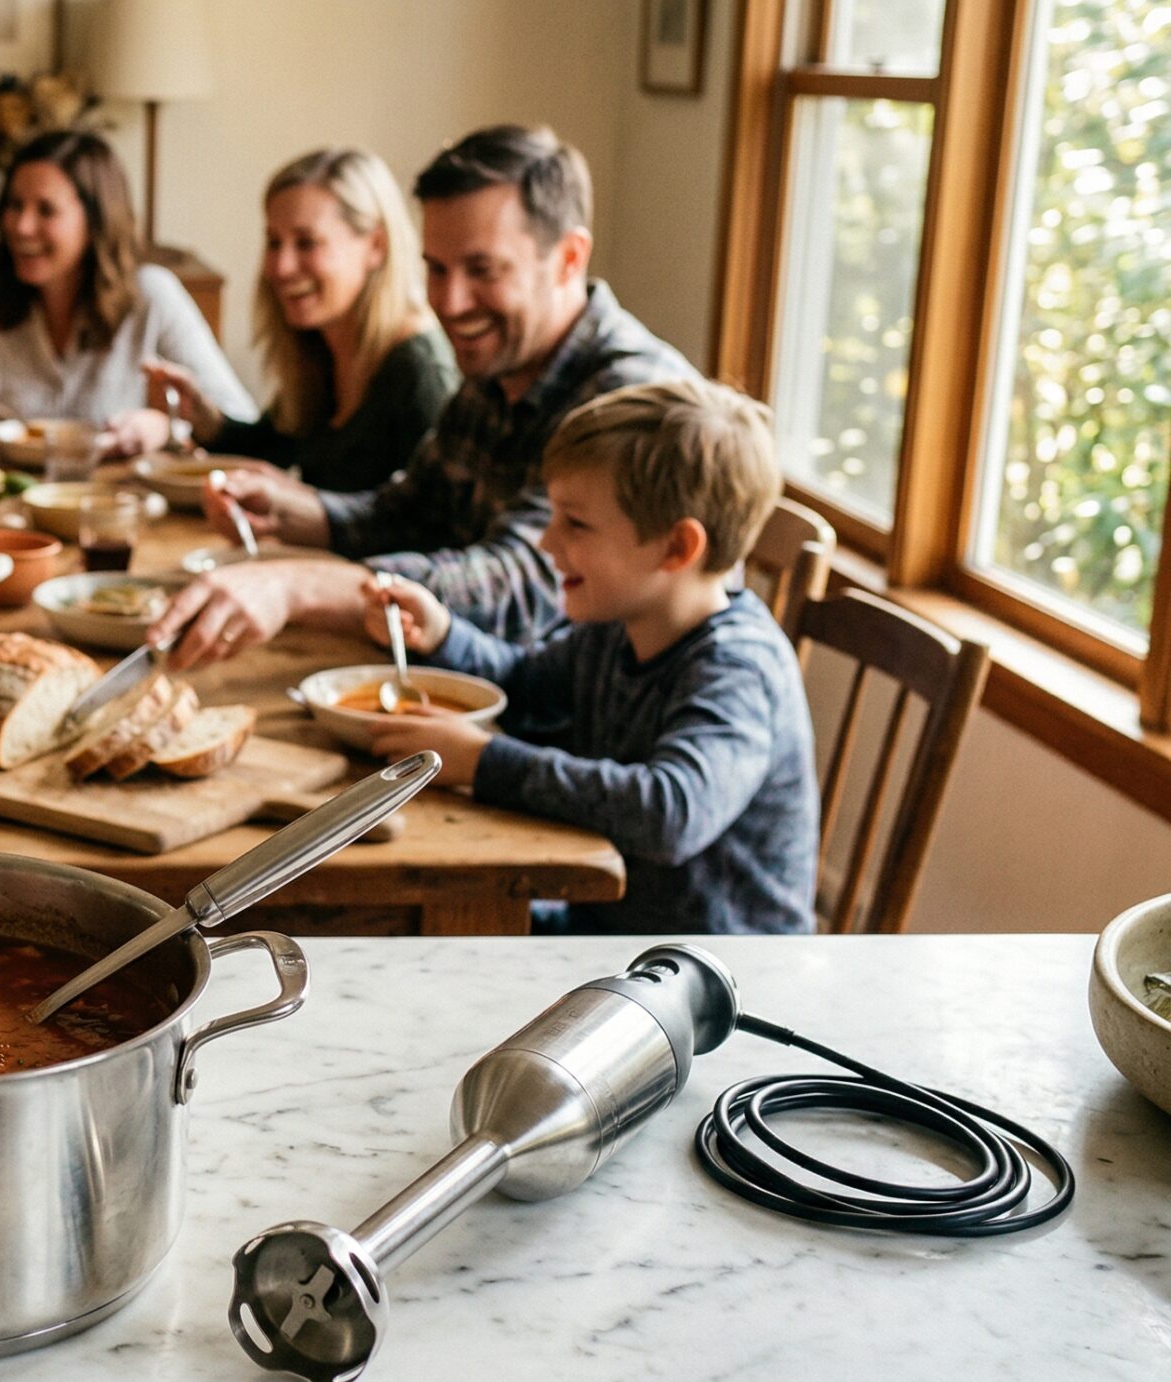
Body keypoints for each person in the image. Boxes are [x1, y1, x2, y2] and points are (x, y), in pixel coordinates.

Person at [154, 124, 698, 664]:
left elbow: (526, 586)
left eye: (482, 269)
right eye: (436, 270)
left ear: (569, 258)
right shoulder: (502, 361)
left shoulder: (633, 396)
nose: (451, 302)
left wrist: (300, 586)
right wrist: (299, 513)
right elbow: (411, 510)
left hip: (564, 726)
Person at [359, 381, 816, 935]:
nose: (548, 543)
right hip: (608, 927)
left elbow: (671, 814)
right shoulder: (620, 623)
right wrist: (443, 632)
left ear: (676, 548)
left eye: (574, 524)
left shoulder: (736, 667)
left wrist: (483, 762)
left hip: (708, 976)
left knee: (423, 933)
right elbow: (525, 683)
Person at [0, 129, 254, 456]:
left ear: (94, 220)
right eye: (14, 205)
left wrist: (167, 427)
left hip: (120, 505)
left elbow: (238, 421)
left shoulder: (152, 295)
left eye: (46, 210)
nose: (21, 226)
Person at [144, 147, 455, 493]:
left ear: (376, 246)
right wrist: (207, 421)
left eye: (307, 243)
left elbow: (430, 526)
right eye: (274, 243)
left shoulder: (419, 373)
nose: (281, 267)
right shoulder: (321, 342)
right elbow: (274, 446)